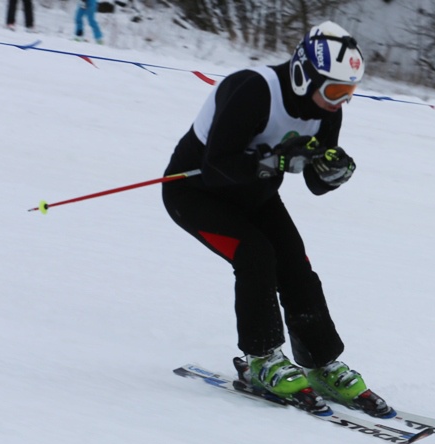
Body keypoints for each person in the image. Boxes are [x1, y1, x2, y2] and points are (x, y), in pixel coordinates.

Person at [162, 21, 393, 418]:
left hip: (256, 195)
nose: (341, 101)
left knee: (296, 266)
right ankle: (261, 358)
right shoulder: (253, 89)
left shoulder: (327, 111)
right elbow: (216, 168)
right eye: (335, 91)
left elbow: (315, 183)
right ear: (306, 74)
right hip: (196, 194)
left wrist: (331, 173)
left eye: (349, 93)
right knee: (254, 256)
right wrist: (275, 159)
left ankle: (321, 362)